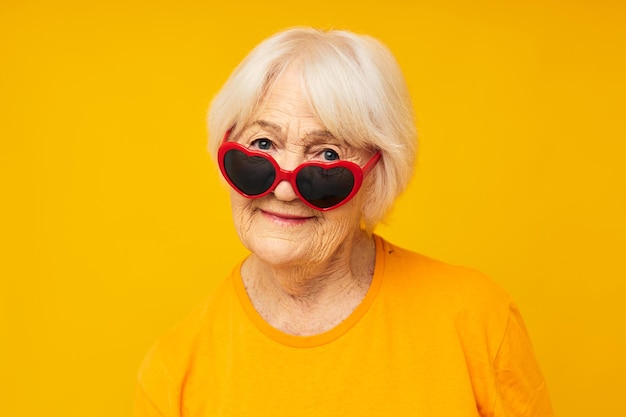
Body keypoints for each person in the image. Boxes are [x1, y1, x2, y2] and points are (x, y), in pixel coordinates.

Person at [134, 27, 553, 416]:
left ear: (376, 177)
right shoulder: (174, 372)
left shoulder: (477, 321)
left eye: (328, 155)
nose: (284, 189)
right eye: (262, 144)